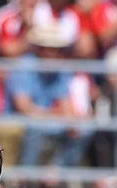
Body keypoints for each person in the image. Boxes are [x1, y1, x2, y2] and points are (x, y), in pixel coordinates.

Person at [7, 25, 91, 174]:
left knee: (84, 130)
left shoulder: (60, 70)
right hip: (22, 121)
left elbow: (65, 106)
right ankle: (27, 180)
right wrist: (56, 115)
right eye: (48, 47)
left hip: (49, 121)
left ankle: (55, 175)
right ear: (38, 48)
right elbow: (24, 108)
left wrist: (70, 121)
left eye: (56, 49)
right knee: (35, 129)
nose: (53, 52)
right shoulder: (23, 67)